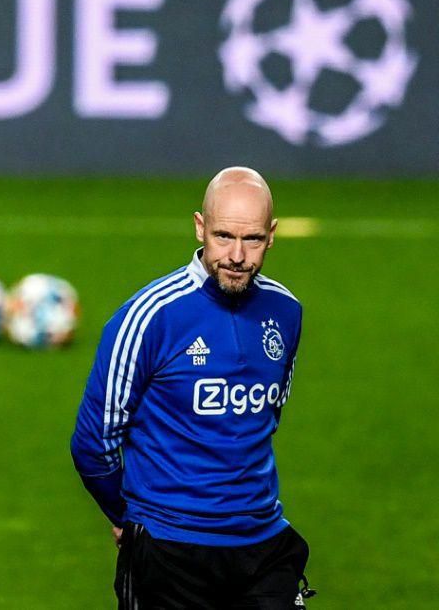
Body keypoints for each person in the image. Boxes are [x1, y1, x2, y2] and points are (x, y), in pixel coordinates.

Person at [71, 167, 313, 609]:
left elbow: (264, 420)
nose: (237, 255)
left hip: (263, 547)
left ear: (272, 235)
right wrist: (127, 516)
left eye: (253, 240)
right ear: (200, 227)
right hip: (170, 552)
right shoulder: (148, 317)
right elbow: (92, 442)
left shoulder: (286, 310)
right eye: (223, 236)